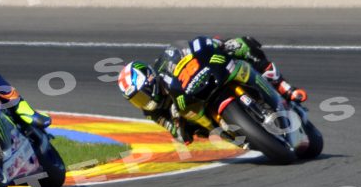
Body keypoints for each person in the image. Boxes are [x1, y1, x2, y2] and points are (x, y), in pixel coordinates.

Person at [117, 36, 307, 144]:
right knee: (198, 131)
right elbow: (178, 134)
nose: (143, 102)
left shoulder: (164, 62)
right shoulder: (152, 112)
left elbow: (190, 47)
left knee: (241, 46)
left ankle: (283, 86)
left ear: (150, 80)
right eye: (136, 100)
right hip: (198, 112)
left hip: (206, 77)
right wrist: (178, 123)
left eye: (141, 95)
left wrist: (216, 44)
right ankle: (242, 135)